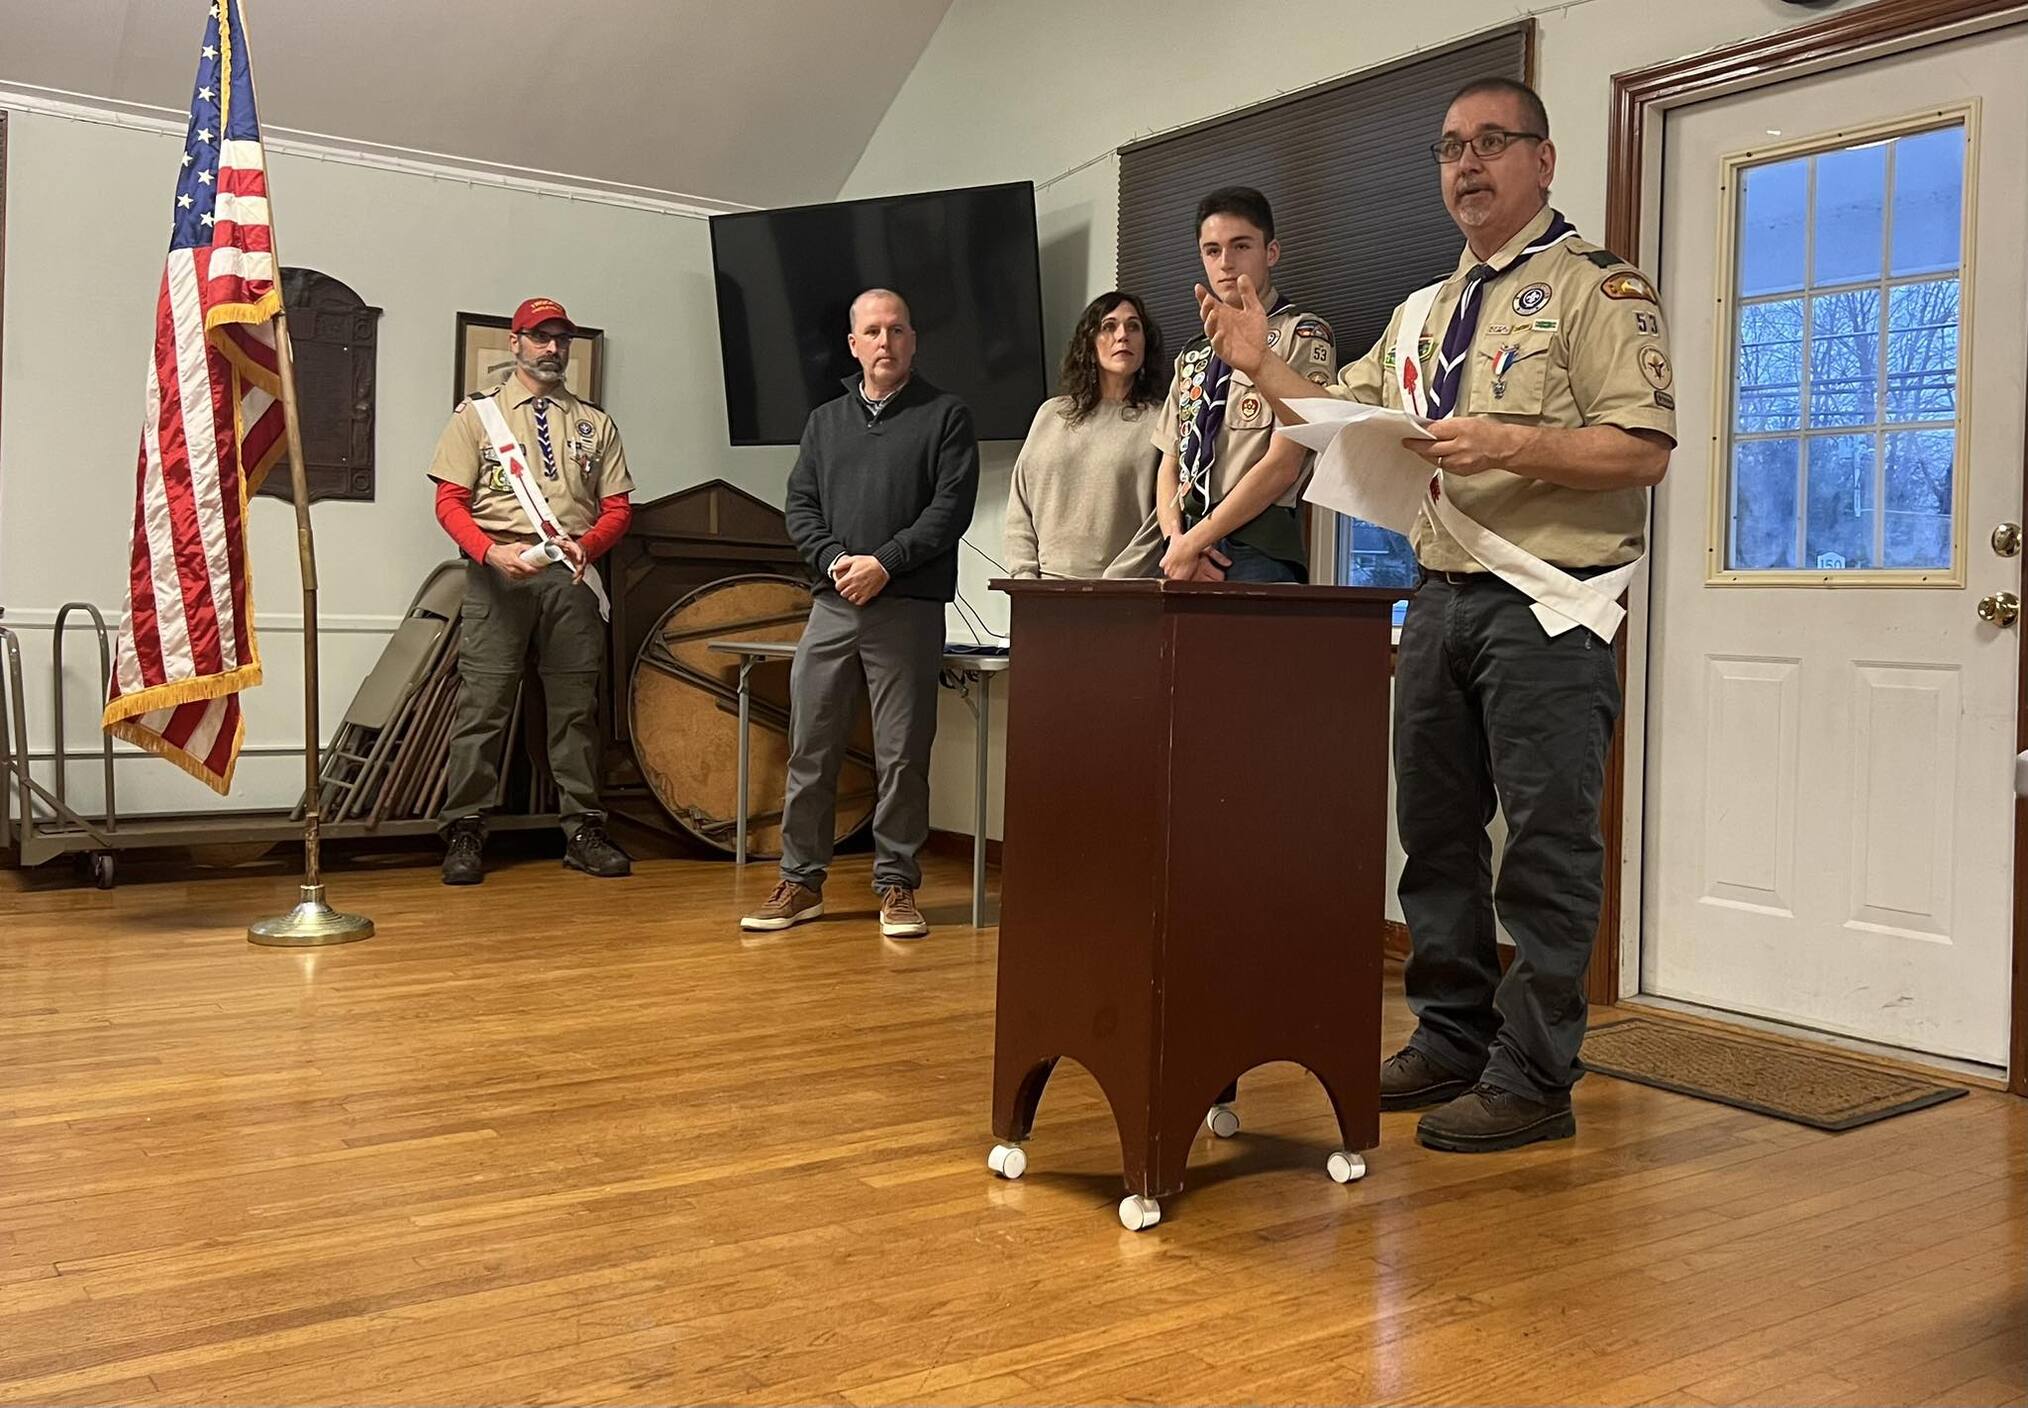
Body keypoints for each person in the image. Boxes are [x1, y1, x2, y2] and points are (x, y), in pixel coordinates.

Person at [1198, 78, 1677, 1151]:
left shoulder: (1598, 291)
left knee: (1546, 850)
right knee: (1436, 838)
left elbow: (1641, 449)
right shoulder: (1421, 312)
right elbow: (1336, 420)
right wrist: (1259, 362)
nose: (1469, 164)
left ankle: (1538, 1075)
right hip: (1439, 599)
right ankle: (1452, 1036)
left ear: (1543, 162)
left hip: (1550, 605)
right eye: (1451, 147)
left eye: (1494, 143)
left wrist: (1507, 441)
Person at [741, 289, 981, 941]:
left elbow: (950, 510)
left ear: (913, 341)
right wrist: (840, 560)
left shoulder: (946, 416)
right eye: (872, 331)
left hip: (907, 607)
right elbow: (800, 509)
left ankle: (897, 886)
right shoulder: (824, 423)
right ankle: (801, 882)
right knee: (811, 748)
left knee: (903, 755)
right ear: (853, 344)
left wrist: (886, 563)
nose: (884, 341)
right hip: (832, 603)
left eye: (896, 329)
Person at [428, 297, 637, 885]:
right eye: (540, 337)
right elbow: (448, 501)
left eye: (561, 339)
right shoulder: (477, 417)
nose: (552, 349)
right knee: (483, 707)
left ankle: (583, 830)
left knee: (575, 712)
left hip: (570, 575)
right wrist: (489, 552)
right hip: (498, 574)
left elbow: (619, 508)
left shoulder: (596, 424)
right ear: (514, 343)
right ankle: (465, 827)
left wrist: (589, 546)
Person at [1138, 186, 1336, 583]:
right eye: (1212, 251)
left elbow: (1284, 465)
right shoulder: (1194, 352)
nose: (1225, 262)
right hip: (1185, 552)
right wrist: (1176, 541)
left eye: (1240, 246)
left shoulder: (1303, 334)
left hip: (1258, 547)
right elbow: (1170, 462)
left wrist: (1196, 542)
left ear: (1271, 252)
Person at [1003, 291, 1165, 579]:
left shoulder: (1161, 420)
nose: (1122, 335)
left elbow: (1162, 521)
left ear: (1145, 342)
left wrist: (1111, 588)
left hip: (1122, 597)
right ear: (1089, 342)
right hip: (1041, 593)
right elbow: (1020, 505)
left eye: (1133, 326)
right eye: (1109, 326)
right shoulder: (1050, 414)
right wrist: (1025, 578)